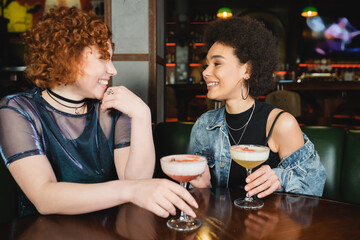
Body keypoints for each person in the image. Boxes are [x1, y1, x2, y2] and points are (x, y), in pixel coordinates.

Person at [0, 6, 198, 219]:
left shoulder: (112, 107)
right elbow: (44, 197)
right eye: (103, 58)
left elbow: (137, 181)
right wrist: (129, 190)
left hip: (110, 228)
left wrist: (142, 114)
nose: (113, 70)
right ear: (68, 56)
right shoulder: (17, 109)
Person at [188, 16, 326, 198]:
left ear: (248, 70)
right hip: (222, 225)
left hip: (272, 225)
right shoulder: (204, 125)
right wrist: (201, 187)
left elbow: (314, 185)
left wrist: (280, 178)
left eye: (217, 63)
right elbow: (195, 196)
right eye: (207, 65)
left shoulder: (281, 124)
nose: (205, 72)